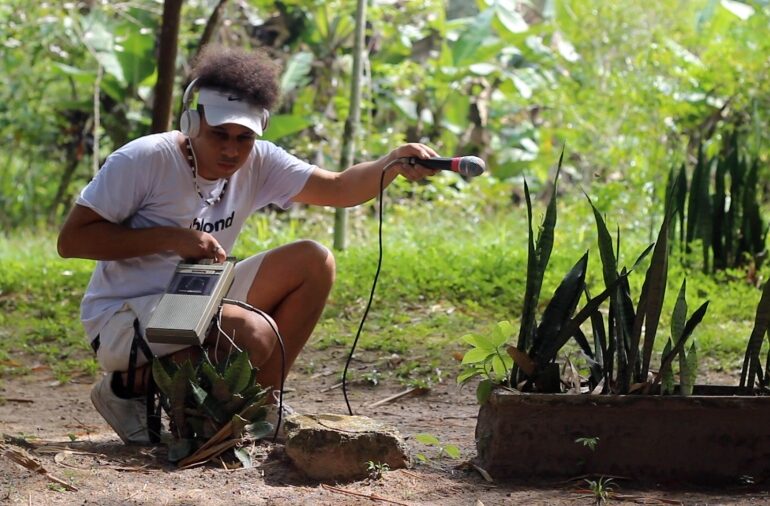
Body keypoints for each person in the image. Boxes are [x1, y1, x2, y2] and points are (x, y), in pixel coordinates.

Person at [57, 45, 439, 445]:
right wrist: (174, 239)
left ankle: (261, 405)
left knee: (314, 261)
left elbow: (341, 188)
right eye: (219, 134)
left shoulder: (258, 160)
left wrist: (391, 162)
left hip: (198, 295)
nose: (231, 150)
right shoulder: (144, 159)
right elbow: (72, 240)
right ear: (191, 122)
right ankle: (124, 390)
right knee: (251, 333)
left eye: (244, 138)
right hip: (123, 317)